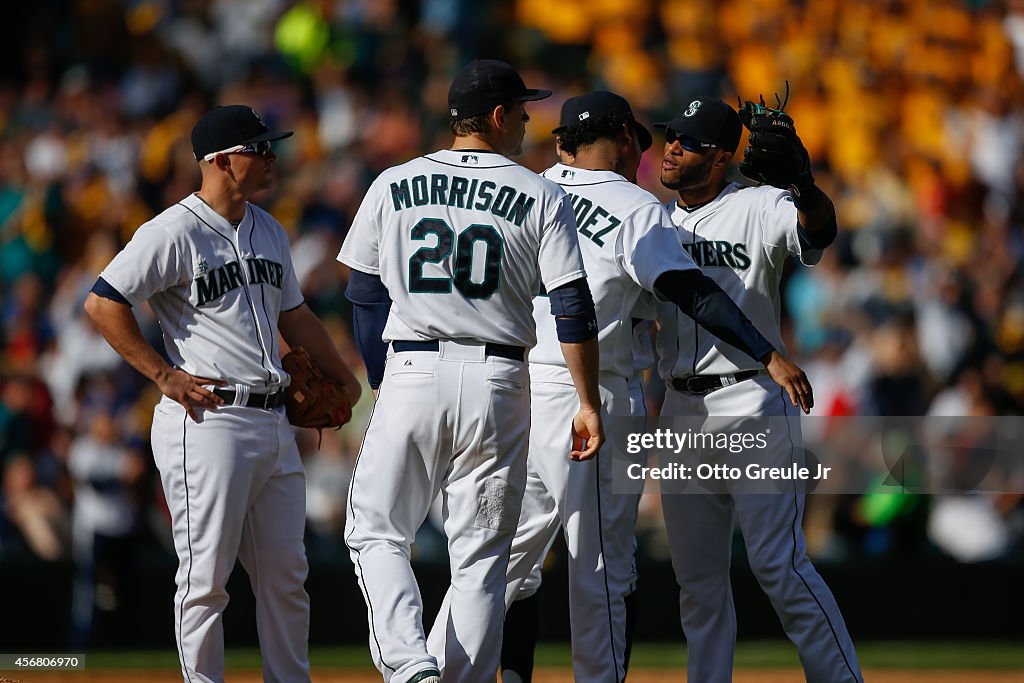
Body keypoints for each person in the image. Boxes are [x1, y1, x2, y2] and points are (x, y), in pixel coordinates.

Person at [497, 91, 812, 683]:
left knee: (504, 562)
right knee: (604, 568)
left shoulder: (528, 192)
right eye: (644, 141)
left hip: (514, 383)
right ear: (620, 139)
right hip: (596, 390)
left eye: (681, 141)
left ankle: (443, 668)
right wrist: (768, 352)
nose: (653, 152)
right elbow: (689, 292)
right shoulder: (636, 207)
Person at [338, 59, 604, 683]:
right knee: (483, 561)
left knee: (377, 531)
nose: (526, 119)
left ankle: (409, 666)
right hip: (501, 380)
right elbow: (571, 306)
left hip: (413, 368)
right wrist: (587, 401)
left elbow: (362, 292)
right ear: (495, 117)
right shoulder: (541, 192)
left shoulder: (394, 181)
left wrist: (384, 378)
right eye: (520, 109)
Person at [84, 104, 361, 683]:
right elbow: (104, 302)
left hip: (273, 419)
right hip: (208, 420)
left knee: (287, 575)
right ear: (221, 161)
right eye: (258, 148)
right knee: (206, 579)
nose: (270, 157)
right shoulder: (172, 231)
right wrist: (163, 375)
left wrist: (344, 375)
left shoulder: (270, 228)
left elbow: (297, 315)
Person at [656, 96, 863, 683]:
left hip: (752, 399)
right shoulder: (653, 220)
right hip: (678, 409)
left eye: (689, 141)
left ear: (722, 157)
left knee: (779, 565)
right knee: (696, 583)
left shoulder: (757, 205)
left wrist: (804, 184)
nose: (672, 146)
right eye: (671, 135)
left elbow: (818, 230)